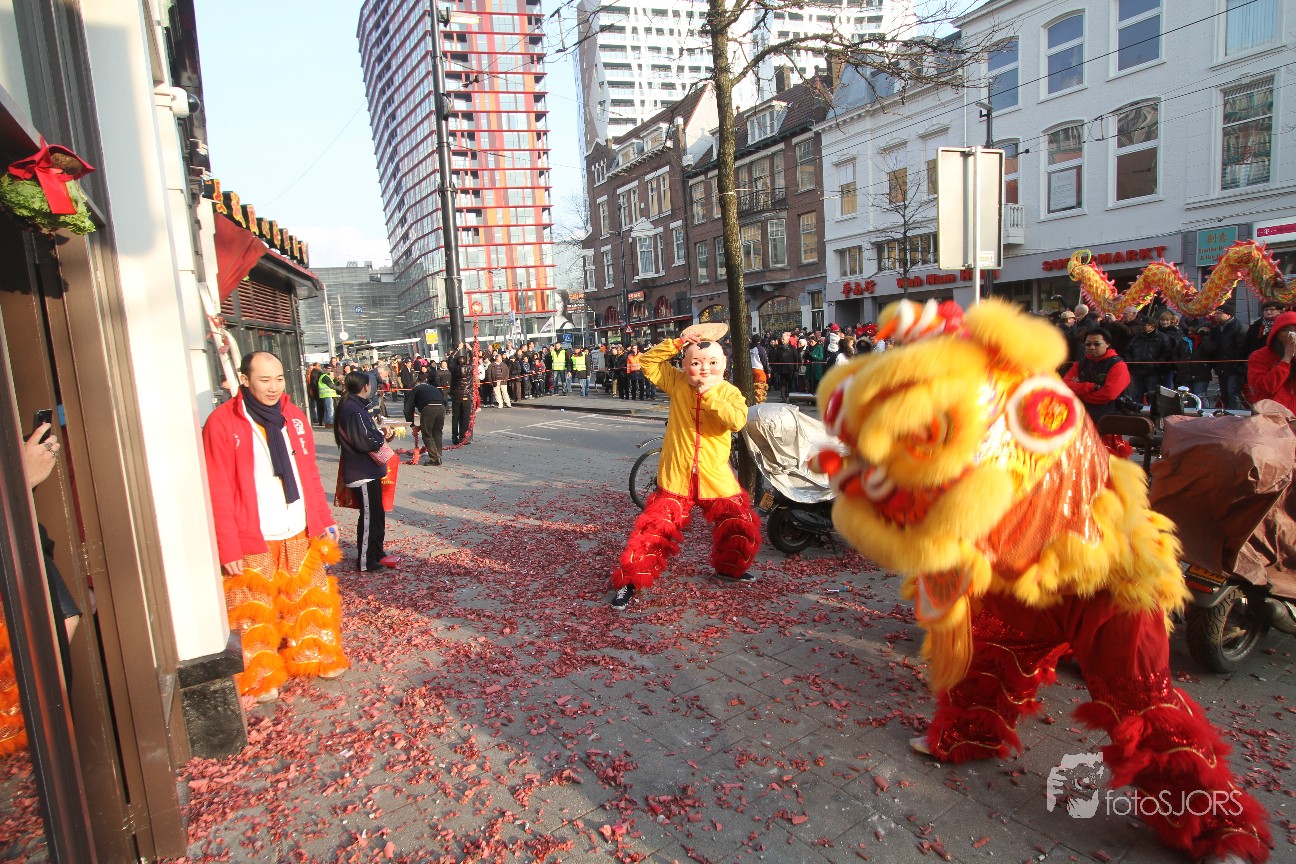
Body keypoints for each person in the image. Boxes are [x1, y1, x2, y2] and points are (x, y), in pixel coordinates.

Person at [202, 351, 347, 703]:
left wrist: (323, 519)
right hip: (252, 531)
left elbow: (309, 473)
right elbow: (217, 488)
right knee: (253, 608)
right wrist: (227, 545)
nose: (273, 387)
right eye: (264, 380)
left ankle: (313, 656)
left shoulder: (293, 416)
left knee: (308, 598)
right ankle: (260, 674)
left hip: (297, 525)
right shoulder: (222, 422)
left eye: (279, 379)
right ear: (245, 379)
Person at [608, 329, 762, 610]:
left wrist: (709, 395)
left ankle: (731, 568)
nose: (704, 368)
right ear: (685, 364)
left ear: (723, 364)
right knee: (654, 531)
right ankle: (630, 582)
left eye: (712, 362)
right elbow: (648, 361)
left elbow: (737, 421)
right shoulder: (678, 382)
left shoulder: (729, 392)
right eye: (696, 362)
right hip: (676, 476)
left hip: (714, 476)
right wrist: (678, 342)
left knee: (740, 523)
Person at [335, 370, 398, 572]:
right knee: (370, 516)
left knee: (377, 514)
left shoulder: (357, 406)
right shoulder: (352, 409)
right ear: (365, 387)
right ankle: (366, 560)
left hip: (369, 470)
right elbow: (363, 440)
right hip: (362, 471)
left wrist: (378, 433)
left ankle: (376, 552)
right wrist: (380, 436)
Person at [1063, 327, 1131, 421]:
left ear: (1107, 344)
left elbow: (1109, 394)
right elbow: (1065, 386)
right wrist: (1092, 387)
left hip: (1109, 417)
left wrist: (1080, 394)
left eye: (1097, 344)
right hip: (1082, 416)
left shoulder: (1117, 365)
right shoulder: (1080, 364)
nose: (1092, 347)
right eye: (1088, 344)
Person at [1246, 309, 1296, 412]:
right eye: (1285, 330)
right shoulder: (1260, 356)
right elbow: (1266, 387)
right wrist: (1286, 359)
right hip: (1271, 414)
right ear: (1276, 333)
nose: (1292, 334)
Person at [1210, 299, 1249, 409]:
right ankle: (1227, 412)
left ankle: (1234, 413)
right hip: (1221, 366)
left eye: (1219, 313)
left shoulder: (1239, 328)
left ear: (1228, 315)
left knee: (1233, 391)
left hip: (1234, 367)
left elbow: (1243, 349)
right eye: (1215, 313)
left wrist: (1239, 365)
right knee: (1224, 393)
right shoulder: (1217, 329)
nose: (1216, 315)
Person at [405, 372, 448, 465]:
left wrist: (412, 424)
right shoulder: (433, 387)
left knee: (427, 434)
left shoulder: (415, 389)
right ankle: (438, 455)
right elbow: (444, 400)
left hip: (429, 407)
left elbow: (407, 409)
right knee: (437, 433)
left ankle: (434, 459)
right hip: (441, 407)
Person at [448, 349, 476, 445]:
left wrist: (456, 350)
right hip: (466, 394)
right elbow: (473, 359)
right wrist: (469, 350)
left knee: (455, 416)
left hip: (456, 395)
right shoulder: (469, 368)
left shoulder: (454, 369)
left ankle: (454, 436)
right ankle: (463, 437)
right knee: (465, 417)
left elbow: (450, 360)